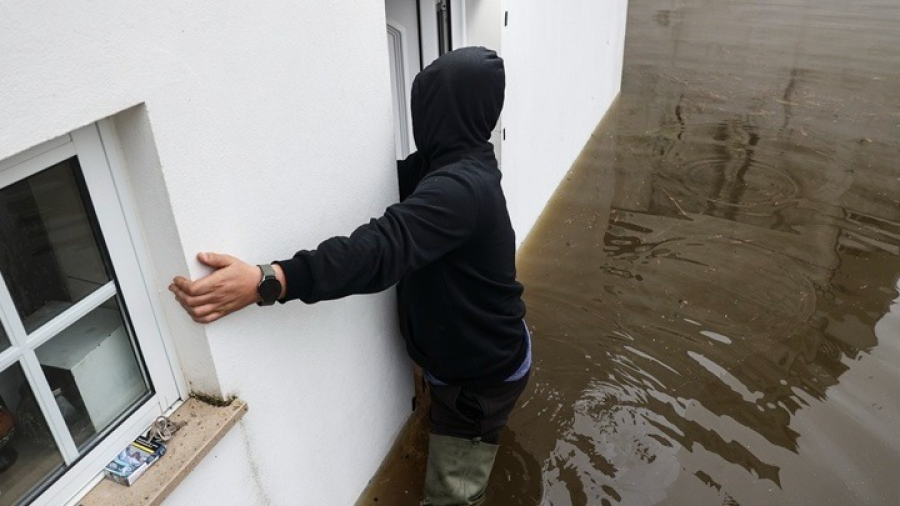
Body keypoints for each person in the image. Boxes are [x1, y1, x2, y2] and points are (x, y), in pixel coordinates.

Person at [169, 46, 530, 506]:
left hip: (479, 380)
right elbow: (373, 188)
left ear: (442, 112)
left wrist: (270, 280)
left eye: (426, 105)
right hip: (479, 347)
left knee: (453, 499)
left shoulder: (461, 188)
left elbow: (380, 249)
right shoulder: (444, 165)